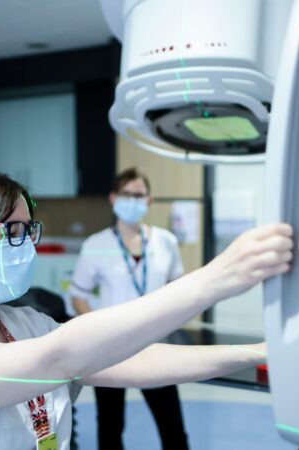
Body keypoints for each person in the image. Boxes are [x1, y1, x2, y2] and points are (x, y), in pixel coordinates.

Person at [0, 168, 293, 450]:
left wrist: (256, 352)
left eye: (28, 231)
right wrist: (215, 280)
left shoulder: (23, 323)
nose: (26, 245)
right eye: (12, 232)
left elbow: (135, 358)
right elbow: (61, 356)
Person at [70, 168, 189, 449]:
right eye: (126, 194)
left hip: (155, 345)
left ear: (149, 201)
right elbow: (78, 295)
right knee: (110, 428)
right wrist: (99, 333)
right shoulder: (96, 245)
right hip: (110, 349)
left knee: (172, 427)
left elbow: (178, 287)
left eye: (139, 195)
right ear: (113, 198)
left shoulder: (166, 242)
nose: (132, 200)